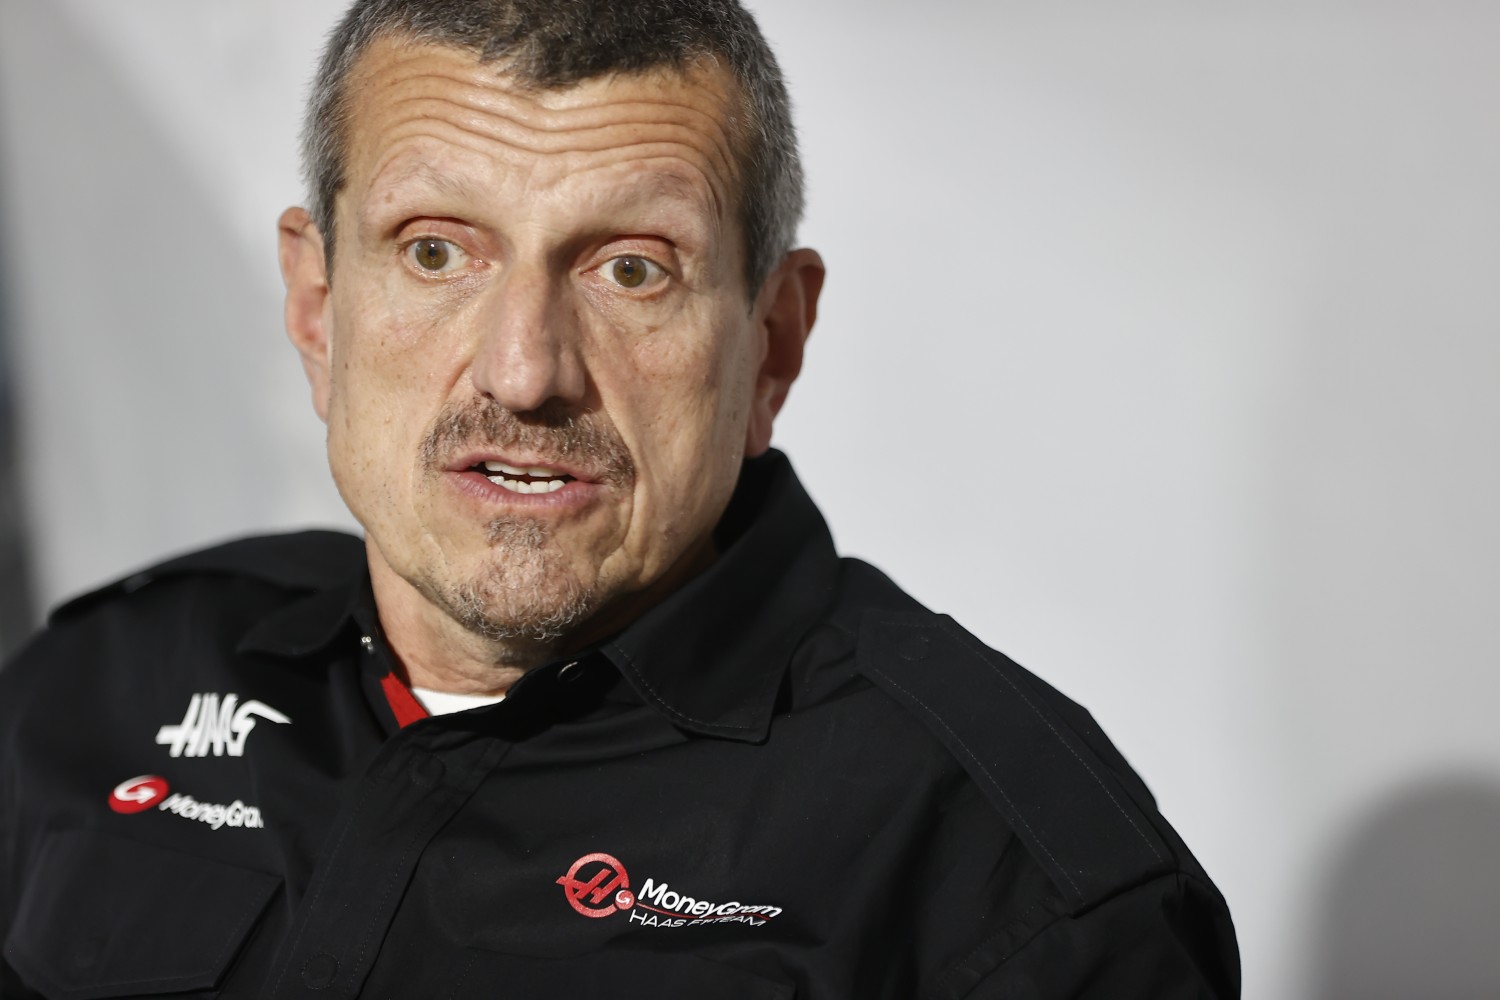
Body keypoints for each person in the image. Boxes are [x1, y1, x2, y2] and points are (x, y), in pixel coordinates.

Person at [0, 1, 1238, 996]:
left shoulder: (1009, 885)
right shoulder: (98, 682)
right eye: (437, 250)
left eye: (632, 269)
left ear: (773, 341)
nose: (526, 370)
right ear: (318, 312)